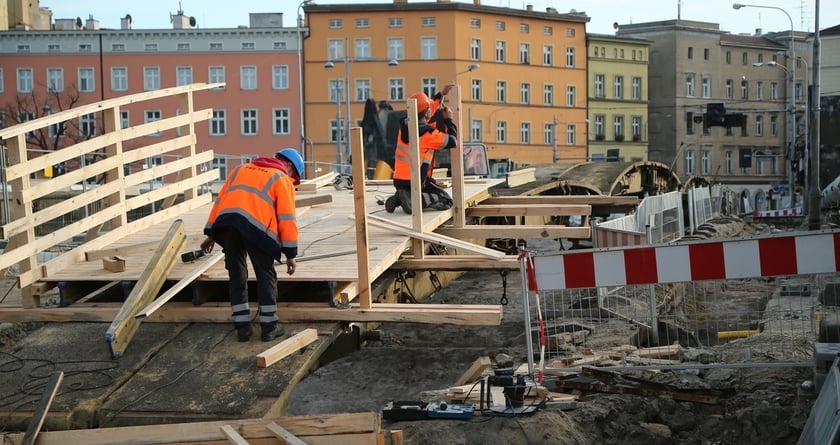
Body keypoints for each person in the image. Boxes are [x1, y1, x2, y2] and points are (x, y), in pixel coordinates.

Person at [200, 148, 303, 342]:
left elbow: (220, 201)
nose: (292, 181)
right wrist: (290, 254)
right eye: (293, 177)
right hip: (256, 229)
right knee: (265, 274)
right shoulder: (280, 178)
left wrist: (212, 234)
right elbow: (287, 219)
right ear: (288, 166)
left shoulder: (239, 170)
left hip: (227, 225)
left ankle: (242, 329)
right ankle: (269, 327)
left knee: (236, 273)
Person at [385, 88, 457, 214]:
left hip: (399, 181)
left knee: (429, 186)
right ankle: (415, 200)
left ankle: (401, 198)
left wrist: (441, 95)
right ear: (427, 113)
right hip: (416, 182)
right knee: (447, 201)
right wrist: (448, 119)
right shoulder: (428, 134)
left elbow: (424, 112)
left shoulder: (404, 126)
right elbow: (452, 141)